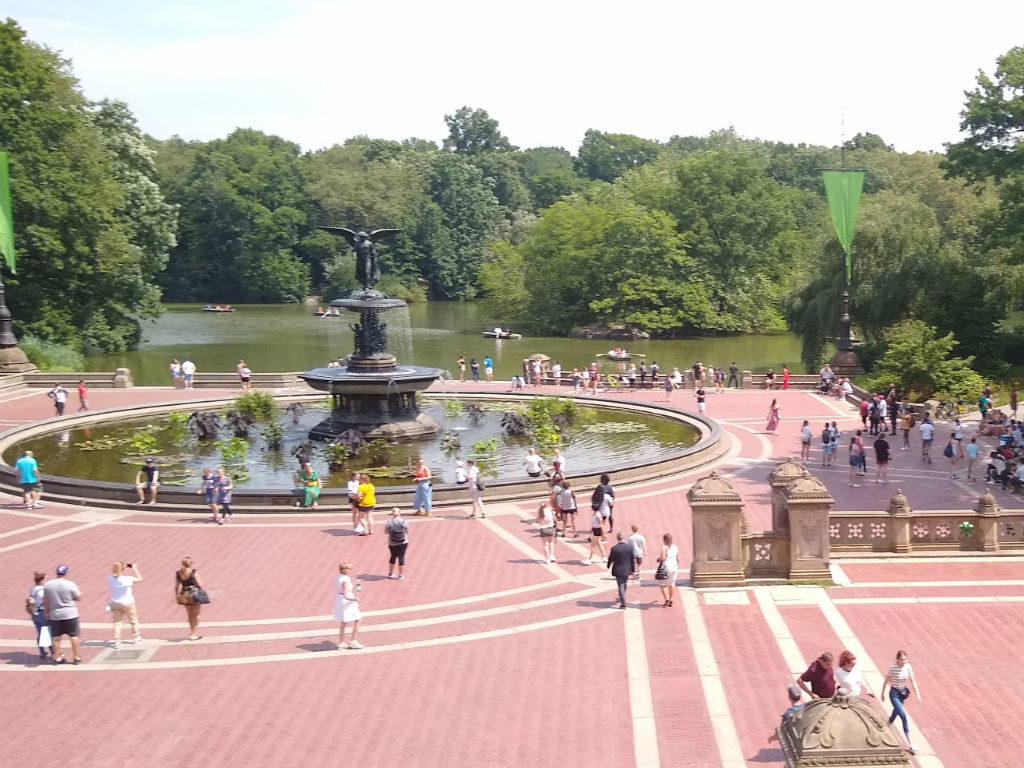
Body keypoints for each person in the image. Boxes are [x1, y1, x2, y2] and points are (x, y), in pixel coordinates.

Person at [881, 650, 921, 754]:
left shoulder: (908, 667)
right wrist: (882, 693)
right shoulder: (892, 668)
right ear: (897, 659)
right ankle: (910, 743)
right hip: (894, 694)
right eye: (902, 659)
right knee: (903, 715)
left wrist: (917, 692)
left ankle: (885, 727)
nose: (904, 661)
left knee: (895, 713)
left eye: (905, 659)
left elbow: (912, 680)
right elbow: (886, 680)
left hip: (902, 693)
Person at [44, 564, 81, 665]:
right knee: (74, 636)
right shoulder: (70, 584)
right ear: (66, 573)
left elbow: (46, 600)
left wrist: (46, 612)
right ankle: (76, 657)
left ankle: (57, 658)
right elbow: (78, 597)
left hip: (55, 614)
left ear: (56, 573)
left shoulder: (48, 585)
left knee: (56, 637)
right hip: (70, 614)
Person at [107, 561, 143, 648]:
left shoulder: (109, 578)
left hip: (115, 602)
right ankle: (136, 637)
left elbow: (116, 575)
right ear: (122, 569)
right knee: (133, 620)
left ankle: (117, 641)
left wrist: (123, 567)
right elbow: (140, 578)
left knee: (117, 622)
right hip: (128, 602)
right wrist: (134, 568)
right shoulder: (127, 579)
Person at [175, 556, 205, 641]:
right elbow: (200, 584)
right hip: (194, 594)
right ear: (190, 564)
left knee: (189, 615)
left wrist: (177, 596)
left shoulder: (178, 573)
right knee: (196, 615)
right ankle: (194, 634)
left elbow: (176, 587)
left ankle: (191, 631)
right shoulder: (193, 572)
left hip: (185, 594)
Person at [334, 562, 363, 649]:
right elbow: (346, 595)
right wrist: (355, 599)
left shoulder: (338, 577)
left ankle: (341, 642)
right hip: (347, 602)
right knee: (358, 619)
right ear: (346, 570)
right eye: (350, 569)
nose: (351, 570)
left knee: (344, 622)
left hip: (340, 600)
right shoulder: (345, 580)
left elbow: (346, 591)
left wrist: (356, 585)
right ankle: (353, 641)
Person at [607, 532, 635, 608]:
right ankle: (622, 597)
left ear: (617, 538)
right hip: (627, 569)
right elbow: (632, 559)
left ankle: (623, 602)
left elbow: (611, 559)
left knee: (621, 585)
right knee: (624, 584)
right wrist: (633, 570)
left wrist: (608, 565)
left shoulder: (614, 548)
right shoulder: (629, 547)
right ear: (623, 537)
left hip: (618, 570)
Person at [28, 572, 50, 660]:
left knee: (40, 632)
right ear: (41, 581)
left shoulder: (33, 588)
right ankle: (53, 651)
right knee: (48, 632)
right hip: (42, 612)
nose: (47, 580)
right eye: (46, 579)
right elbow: (46, 601)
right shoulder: (43, 591)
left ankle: (42, 651)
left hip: (35, 612)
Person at [385, 508, 409, 579]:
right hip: (403, 541)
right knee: (401, 557)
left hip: (392, 542)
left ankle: (390, 573)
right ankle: (400, 575)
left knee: (393, 556)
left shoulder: (389, 522)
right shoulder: (404, 521)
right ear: (400, 513)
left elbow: (386, 532)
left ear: (392, 513)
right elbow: (407, 531)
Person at [657, 533, 679, 607]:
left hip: (666, 567)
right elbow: (677, 558)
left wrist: (658, 559)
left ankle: (666, 599)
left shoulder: (664, 547)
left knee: (662, 584)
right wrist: (677, 566)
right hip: (674, 567)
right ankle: (670, 599)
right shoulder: (675, 547)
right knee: (672, 584)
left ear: (664, 540)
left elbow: (663, 558)